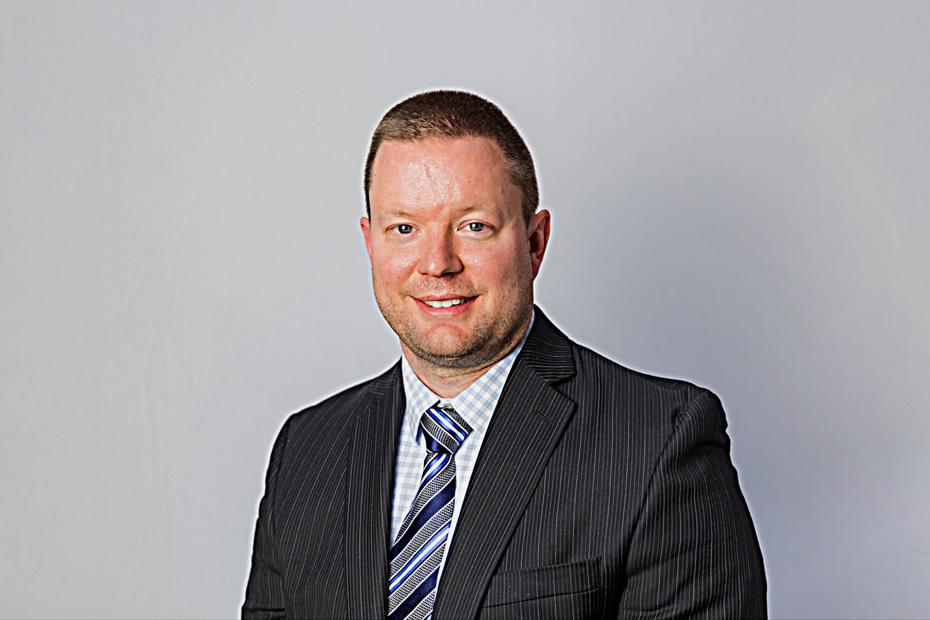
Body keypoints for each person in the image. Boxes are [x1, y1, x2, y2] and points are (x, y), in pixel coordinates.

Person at [242, 90, 767, 619]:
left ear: (535, 243)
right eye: (404, 229)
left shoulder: (658, 441)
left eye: (474, 226)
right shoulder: (306, 451)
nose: (437, 263)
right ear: (370, 242)